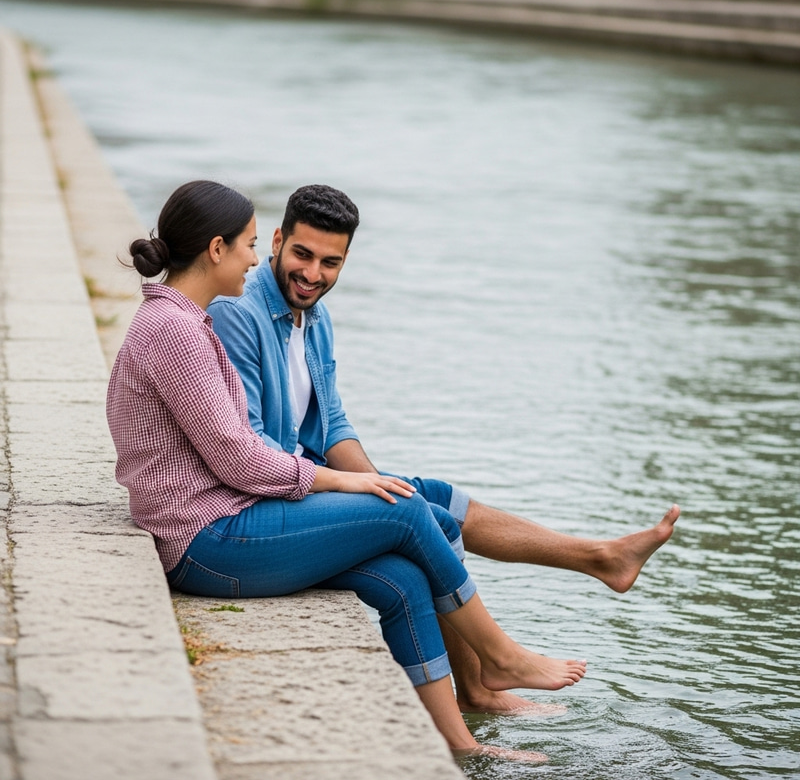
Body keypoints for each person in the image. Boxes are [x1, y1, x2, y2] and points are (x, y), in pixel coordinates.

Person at [106, 179, 589, 763]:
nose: (254, 260)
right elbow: (239, 458)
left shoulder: (188, 321)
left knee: (402, 578)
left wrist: (357, 486)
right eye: (249, 246)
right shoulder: (176, 331)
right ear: (216, 249)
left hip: (230, 519)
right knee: (409, 509)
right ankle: (501, 657)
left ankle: (458, 744)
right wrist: (344, 483)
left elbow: (287, 435)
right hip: (206, 537)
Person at [208, 183, 681, 715]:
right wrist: (360, 494)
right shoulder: (238, 313)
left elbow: (332, 423)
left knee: (428, 501)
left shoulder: (314, 318)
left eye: (330, 262)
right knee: (416, 515)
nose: (313, 274)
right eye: (302, 254)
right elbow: (247, 445)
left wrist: (377, 486)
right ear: (277, 241)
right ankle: (496, 663)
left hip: (298, 481)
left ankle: (582, 577)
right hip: (262, 498)